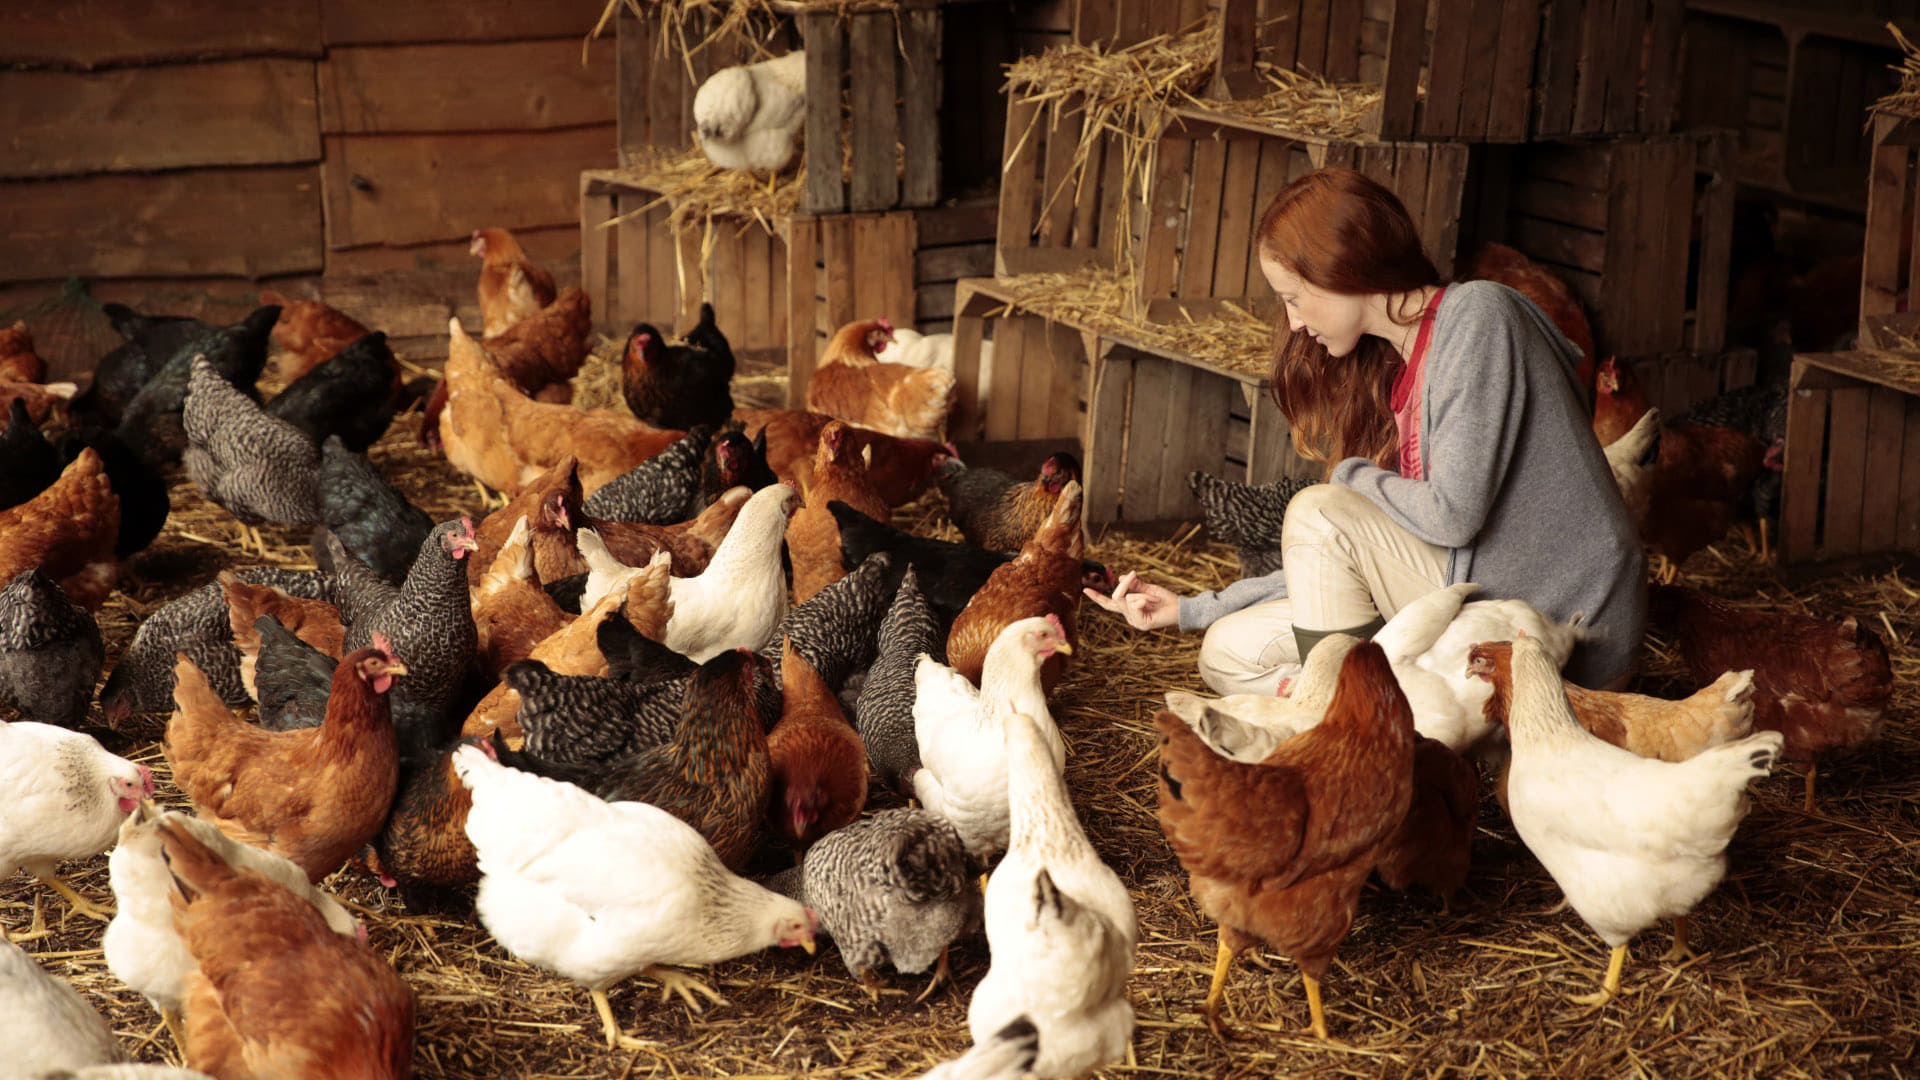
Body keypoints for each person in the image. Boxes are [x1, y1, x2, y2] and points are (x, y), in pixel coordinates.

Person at [1085, 168, 1644, 695]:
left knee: (1318, 509)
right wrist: (1193, 608)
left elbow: (1454, 515)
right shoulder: (1402, 373)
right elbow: (1341, 559)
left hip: (1560, 624)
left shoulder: (1477, 316)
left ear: (1340, 268)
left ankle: (1358, 743)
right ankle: (1368, 720)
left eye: (1292, 297)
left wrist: (1353, 478)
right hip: (1474, 594)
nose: (1296, 322)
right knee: (1226, 651)